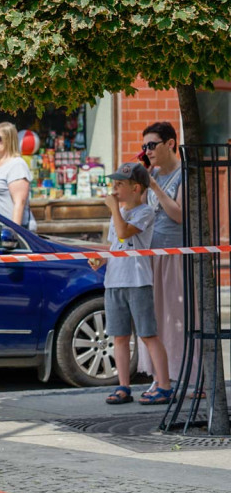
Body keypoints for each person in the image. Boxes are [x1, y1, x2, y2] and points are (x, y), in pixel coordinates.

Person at [89, 161, 172, 406]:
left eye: (119, 185)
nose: (114, 190)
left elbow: (125, 233)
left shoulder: (144, 212)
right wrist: (101, 258)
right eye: (113, 184)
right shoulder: (118, 214)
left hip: (137, 281)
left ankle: (164, 385)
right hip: (115, 280)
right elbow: (116, 244)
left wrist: (114, 209)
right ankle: (123, 385)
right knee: (119, 336)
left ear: (136, 188)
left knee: (148, 334)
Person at [137, 122, 192, 390]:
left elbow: (180, 215)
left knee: (178, 318)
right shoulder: (152, 173)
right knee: (156, 318)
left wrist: (154, 186)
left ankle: (191, 378)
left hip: (175, 256)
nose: (147, 151)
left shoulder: (184, 174)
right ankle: (162, 376)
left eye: (152, 145)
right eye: (144, 146)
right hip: (152, 255)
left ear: (170, 143)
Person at [0, 122, 36, 230]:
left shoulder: (17, 164)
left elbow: (19, 203)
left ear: (9, 140)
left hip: (11, 231)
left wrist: (14, 234)